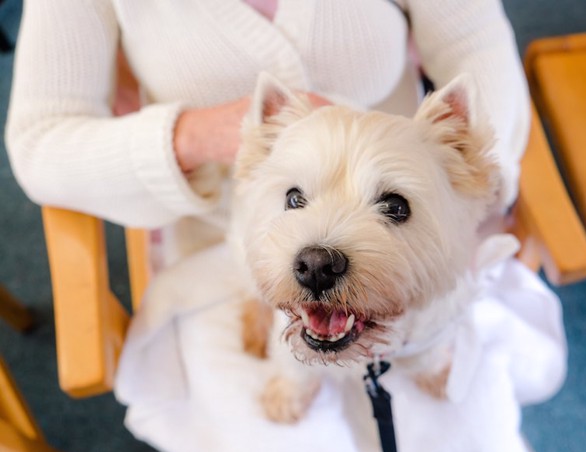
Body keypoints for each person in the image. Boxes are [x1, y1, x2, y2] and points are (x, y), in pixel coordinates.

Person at [6, 0, 529, 264]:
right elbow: (39, 144)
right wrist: (201, 135)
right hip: (219, 242)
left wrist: (475, 190)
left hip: (422, 220)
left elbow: (474, 39)